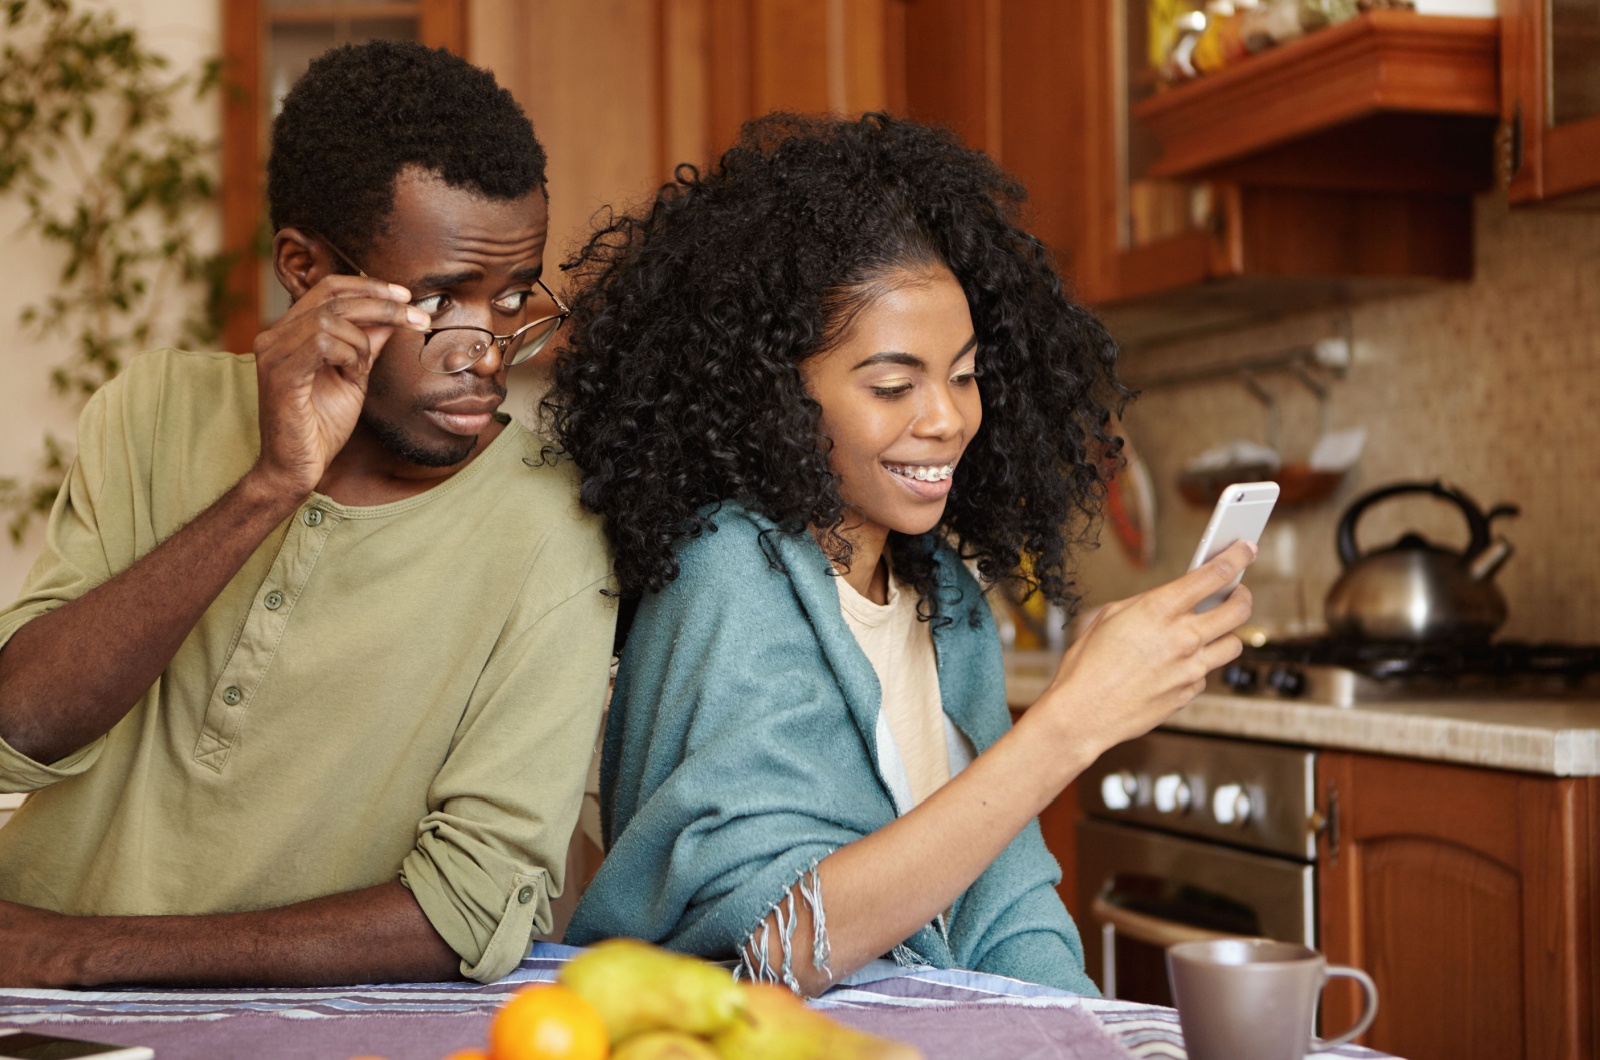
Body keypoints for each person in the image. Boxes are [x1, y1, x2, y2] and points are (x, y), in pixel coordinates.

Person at [550, 113, 1255, 996]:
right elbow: (778, 951)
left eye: (963, 374)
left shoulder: (945, 594)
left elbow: (1005, 903)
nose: (948, 419)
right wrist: (1071, 723)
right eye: (893, 385)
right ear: (773, 396)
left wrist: (1085, 1033)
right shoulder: (728, 568)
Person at [0, 41, 615, 988]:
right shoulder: (155, 410)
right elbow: (20, 727)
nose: (488, 352)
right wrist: (269, 486)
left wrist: (80, 951)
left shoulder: (554, 527)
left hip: (290, 1022)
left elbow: (472, 903)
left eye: (510, 297)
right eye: (442, 299)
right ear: (305, 268)